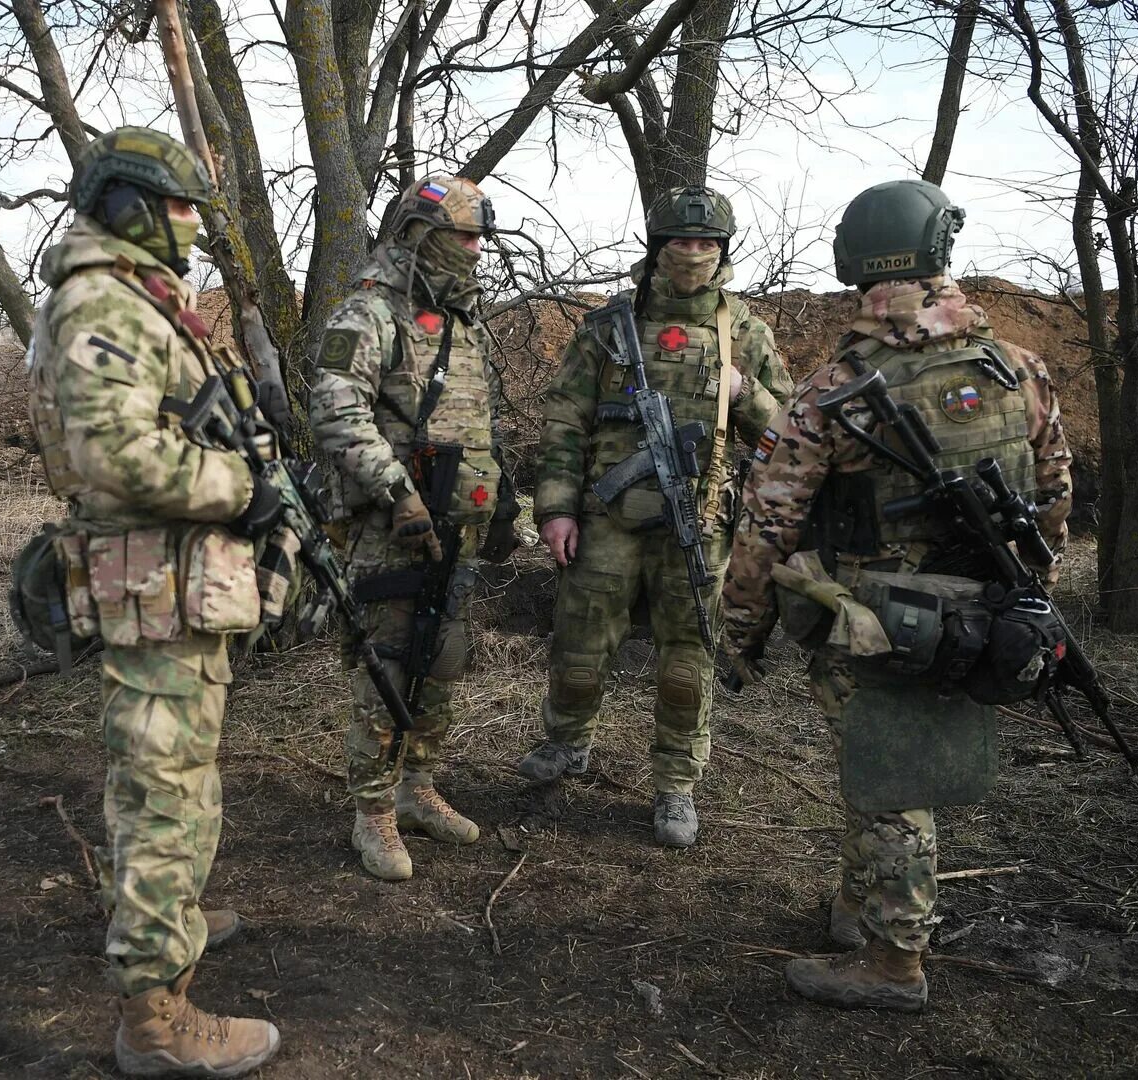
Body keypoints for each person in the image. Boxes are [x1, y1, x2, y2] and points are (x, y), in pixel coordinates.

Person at [719, 179, 1072, 1011]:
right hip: (981, 614)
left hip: (876, 620)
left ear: (857, 261)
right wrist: (1027, 592)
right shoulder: (1016, 367)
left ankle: (893, 961)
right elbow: (1053, 492)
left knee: (890, 779)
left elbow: (769, 521)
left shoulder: (832, 387)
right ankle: (859, 908)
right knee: (883, 770)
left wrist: (739, 625)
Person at [24, 125, 281, 1076]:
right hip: (153, 586)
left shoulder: (140, 299)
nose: (189, 224)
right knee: (163, 791)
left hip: (175, 585)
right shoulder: (105, 301)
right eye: (176, 205)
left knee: (174, 779)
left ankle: (169, 922)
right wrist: (240, 488)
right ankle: (158, 1022)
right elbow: (112, 453)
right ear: (130, 205)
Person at [520, 186, 792, 847]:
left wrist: (744, 391)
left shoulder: (747, 335)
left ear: (723, 250)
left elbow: (790, 433)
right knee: (580, 649)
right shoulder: (607, 329)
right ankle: (567, 745)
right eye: (680, 241)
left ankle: (675, 784)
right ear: (656, 246)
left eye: (706, 244)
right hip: (608, 516)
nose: (693, 253)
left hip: (697, 524)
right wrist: (555, 509)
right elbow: (564, 425)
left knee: (685, 663)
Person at [308, 175, 509, 882]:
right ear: (422, 237)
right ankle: (372, 812)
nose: (478, 251)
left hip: (459, 523)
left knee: (441, 657)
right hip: (391, 526)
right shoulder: (369, 314)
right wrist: (396, 491)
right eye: (465, 237)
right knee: (385, 662)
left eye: (481, 237)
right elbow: (337, 411)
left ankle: (418, 787)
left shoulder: (461, 320)